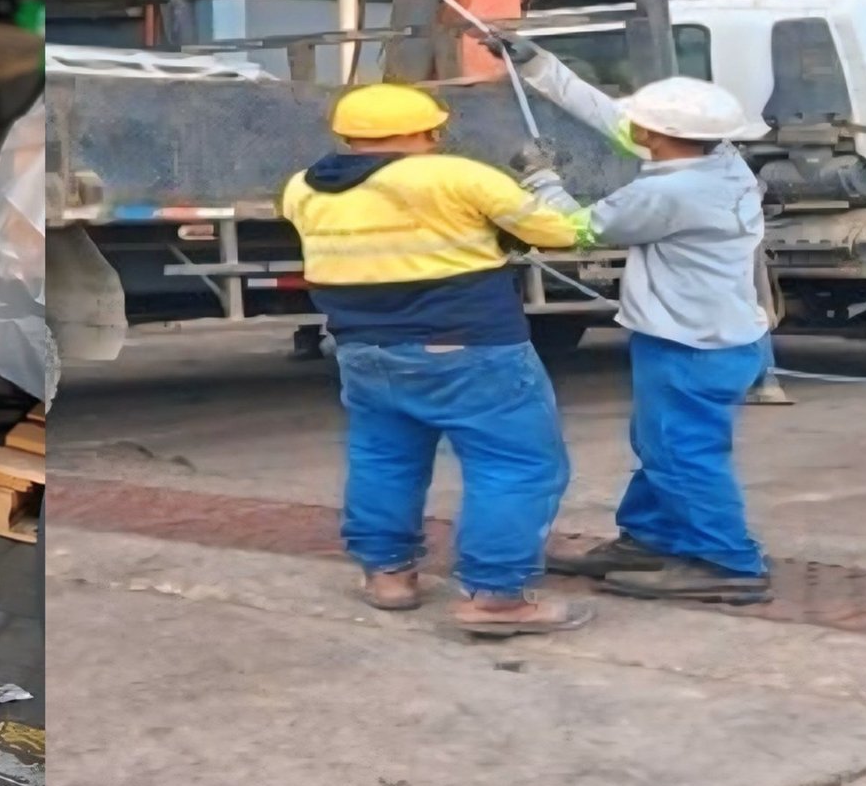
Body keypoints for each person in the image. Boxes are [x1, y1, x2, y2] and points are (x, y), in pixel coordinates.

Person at [279, 82, 594, 639]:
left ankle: (389, 575)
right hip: (470, 347)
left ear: (346, 134)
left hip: (364, 351)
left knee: (384, 460)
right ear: (429, 131)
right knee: (514, 466)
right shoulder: (457, 175)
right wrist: (542, 184)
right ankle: (496, 599)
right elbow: (562, 232)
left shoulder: (301, 188)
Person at [498, 39, 775, 604]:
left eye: (641, 121)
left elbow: (574, 229)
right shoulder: (720, 160)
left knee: (682, 453)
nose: (630, 124)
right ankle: (650, 539)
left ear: (655, 134)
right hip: (713, 336)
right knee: (662, 445)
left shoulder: (670, 192)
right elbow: (613, 119)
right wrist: (539, 66)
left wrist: (539, 178)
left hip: (690, 343)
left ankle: (729, 563)